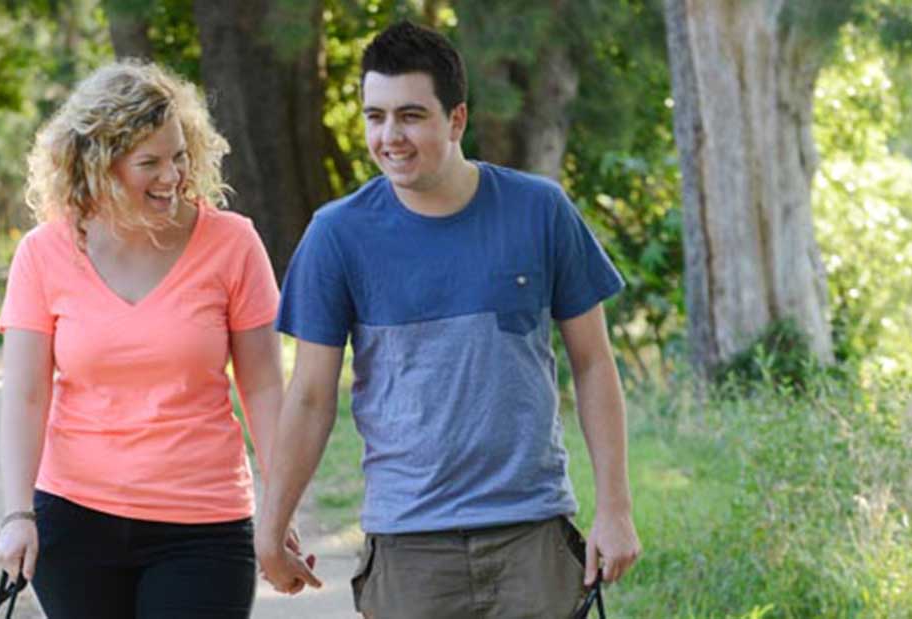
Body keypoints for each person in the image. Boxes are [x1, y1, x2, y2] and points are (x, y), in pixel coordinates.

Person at [254, 20, 643, 618]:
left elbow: (593, 364)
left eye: (410, 115)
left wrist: (615, 510)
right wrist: (272, 525)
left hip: (531, 536)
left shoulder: (540, 211)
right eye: (374, 116)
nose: (390, 137)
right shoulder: (337, 235)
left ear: (456, 119)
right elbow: (308, 397)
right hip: (410, 550)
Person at [0, 60, 290, 618]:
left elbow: (265, 387)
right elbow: (27, 395)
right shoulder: (43, 252)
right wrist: (17, 514)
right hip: (74, 518)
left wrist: (279, 508)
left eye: (178, 156)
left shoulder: (233, 243)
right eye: (148, 162)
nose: (172, 176)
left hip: (204, 523)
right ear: (97, 166)